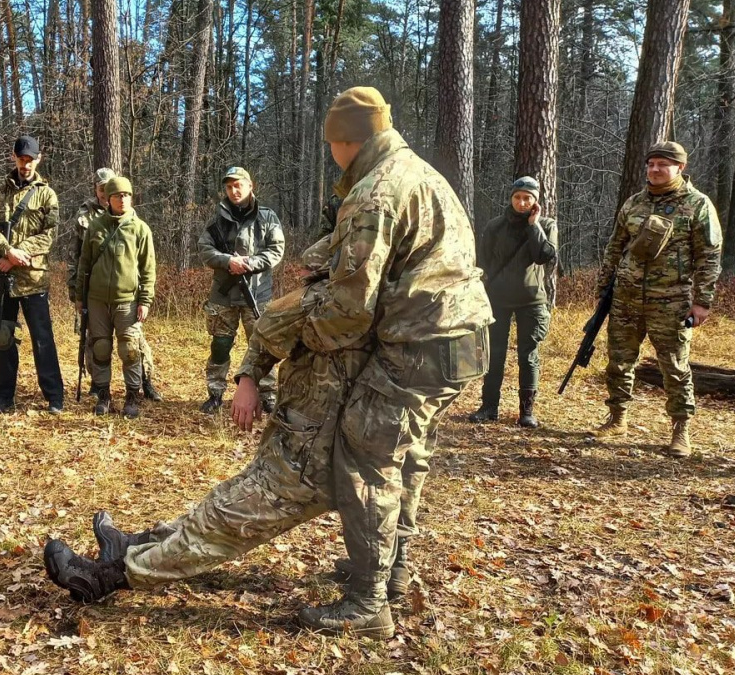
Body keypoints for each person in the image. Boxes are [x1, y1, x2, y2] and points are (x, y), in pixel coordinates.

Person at [43, 87, 492, 638]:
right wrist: (263, 359)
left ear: (342, 139)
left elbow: (349, 313)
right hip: (455, 343)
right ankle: (389, 576)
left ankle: (369, 604)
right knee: (403, 455)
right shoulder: (418, 173)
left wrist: (296, 342)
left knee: (368, 463)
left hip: (416, 346)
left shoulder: (377, 192)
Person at [594, 141, 721, 457]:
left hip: (672, 301)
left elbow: (709, 255)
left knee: (675, 366)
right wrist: (604, 285)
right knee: (619, 360)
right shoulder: (634, 203)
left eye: (662, 165)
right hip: (625, 298)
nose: (654, 170)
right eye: (651, 164)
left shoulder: (697, 205)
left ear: (680, 167)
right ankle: (617, 417)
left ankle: (681, 430)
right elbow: (615, 246)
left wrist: (702, 302)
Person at [0, 135, 65, 414]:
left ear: (38, 159)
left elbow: (49, 235)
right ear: (13, 157)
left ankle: (54, 396)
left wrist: (17, 254)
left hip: (33, 277)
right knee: (4, 337)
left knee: (42, 338)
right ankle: (4, 397)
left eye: (30, 159)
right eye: (21, 158)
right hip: (3, 278)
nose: (25, 164)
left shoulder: (46, 194)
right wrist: (6, 251)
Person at [469, 176, 558, 428]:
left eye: (527, 198)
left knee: (528, 355)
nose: (521, 202)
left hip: (532, 301)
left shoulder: (546, 224)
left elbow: (544, 256)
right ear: (511, 198)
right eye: (517, 197)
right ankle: (488, 407)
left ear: (535, 201)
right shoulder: (495, 226)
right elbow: (483, 262)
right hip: (498, 299)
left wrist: (533, 225)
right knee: (494, 354)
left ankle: (526, 411)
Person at [196, 167, 285, 414]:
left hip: (257, 294)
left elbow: (276, 250)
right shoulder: (217, 219)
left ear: (250, 186)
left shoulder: (267, 217)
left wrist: (248, 263)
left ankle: (267, 394)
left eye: (238, 185)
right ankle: (215, 393)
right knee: (220, 344)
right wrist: (227, 262)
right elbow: (204, 248)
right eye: (229, 186)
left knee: (262, 345)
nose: (234, 191)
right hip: (223, 296)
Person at [68, 168, 162, 402]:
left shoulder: (140, 228)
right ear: (106, 196)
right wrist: (79, 295)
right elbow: (83, 262)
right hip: (97, 298)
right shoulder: (92, 224)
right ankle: (102, 394)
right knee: (99, 347)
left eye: (126, 195)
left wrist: (145, 300)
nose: (122, 199)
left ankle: (135, 393)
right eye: (116, 195)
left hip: (126, 300)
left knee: (130, 349)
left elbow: (148, 268)